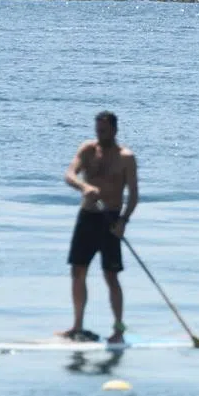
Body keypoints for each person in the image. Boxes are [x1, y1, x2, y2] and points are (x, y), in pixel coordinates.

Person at [58, 111, 138, 343]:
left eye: (103, 130)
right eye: (97, 130)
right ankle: (77, 327)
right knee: (77, 271)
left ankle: (118, 330)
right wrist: (84, 187)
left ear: (114, 130)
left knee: (110, 275)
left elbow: (133, 195)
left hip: (111, 220)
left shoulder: (126, 157)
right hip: (88, 216)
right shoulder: (88, 150)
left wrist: (124, 221)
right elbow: (69, 174)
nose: (99, 134)